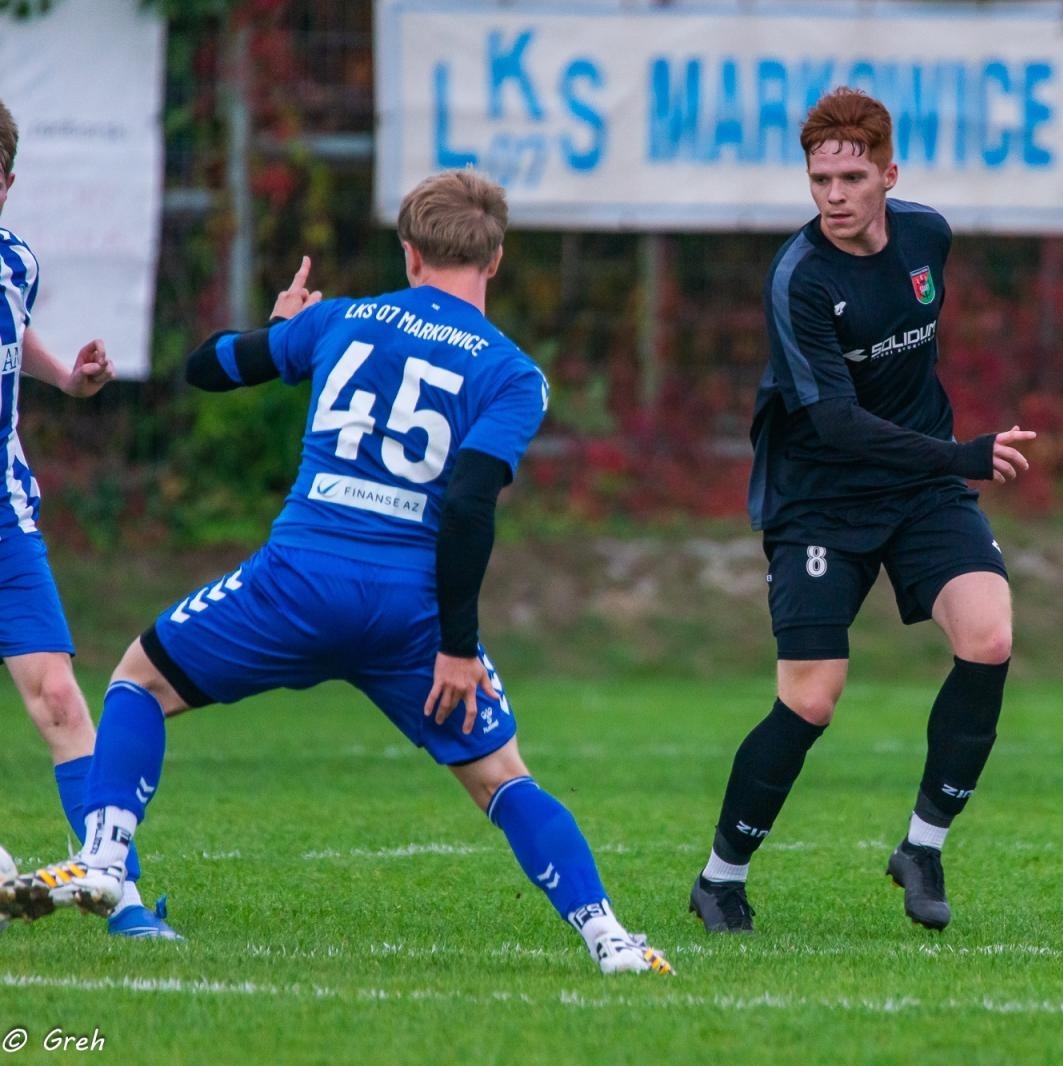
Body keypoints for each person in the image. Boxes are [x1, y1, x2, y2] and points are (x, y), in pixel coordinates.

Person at [0, 169, 673, 975]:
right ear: (494, 260)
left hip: (295, 583)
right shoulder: (513, 373)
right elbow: (468, 505)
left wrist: (282, 327)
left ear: (409, 252)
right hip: (408, 615)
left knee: (139, 681)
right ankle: (610, 940)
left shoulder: (344, 320)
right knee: (502, 779)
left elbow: (206, 367)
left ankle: (106, 859)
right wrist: (458, 647)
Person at [688, 88, 1036, 934]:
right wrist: (961, 456)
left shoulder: (928, 237)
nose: (834, 196)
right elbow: (837, 424)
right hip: (821, 497)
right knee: (812, 699)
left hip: (918, 488)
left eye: (851, 178)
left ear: (889, 174)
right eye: (820, 181)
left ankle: (922, 847)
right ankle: (720, 879)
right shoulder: (799, 278)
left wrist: (942, 463)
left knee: (989, 637)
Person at [0, 98, 178, 938]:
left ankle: (122, 897)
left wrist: (67, 380)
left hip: (5, 519)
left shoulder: (16, 261)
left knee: (61, 698)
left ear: (7, 185)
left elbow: (14, 338)